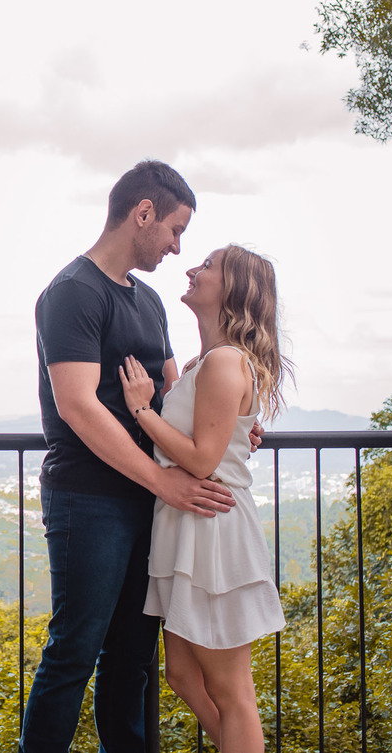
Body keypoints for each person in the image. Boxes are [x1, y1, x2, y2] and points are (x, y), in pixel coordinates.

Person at [20, 160, 242, 753]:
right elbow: (77, 406)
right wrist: (163, 482)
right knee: (74, 650)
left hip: (148, 499)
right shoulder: (72, 293)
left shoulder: (147, 301)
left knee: (132, 658)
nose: (177, 247)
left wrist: (234, 427)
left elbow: (173, 396)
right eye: (175, 229)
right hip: (89, 498)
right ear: (143, 213)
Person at [120, 244, 292, 753]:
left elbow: (201, 459)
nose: (193, 269)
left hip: (213, 529)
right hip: (187, 522)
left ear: (234, 288)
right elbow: (217, 434)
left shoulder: (223, 362)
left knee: (232, 690)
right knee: (183, 676)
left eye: (208, 266)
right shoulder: (205, 362)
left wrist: (141, 410)